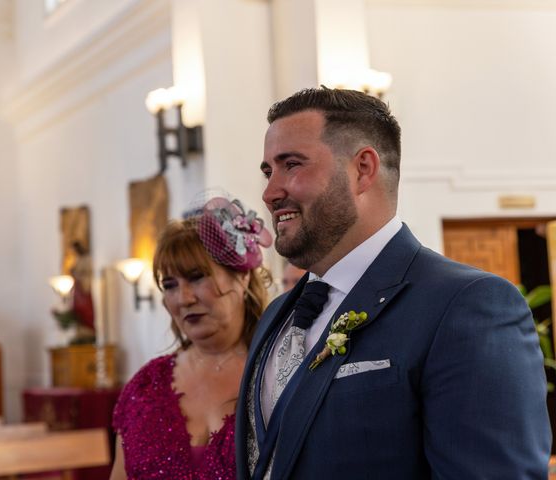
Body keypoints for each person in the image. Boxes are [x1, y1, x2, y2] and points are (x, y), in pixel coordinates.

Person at [234, 87, 551, 479]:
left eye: (292, 165)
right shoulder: (276, 316)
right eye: (268, 171)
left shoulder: (466, 305)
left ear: (363, 169)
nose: (269, 193)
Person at [110, 195, 272, 479]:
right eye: (170, 285)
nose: (183, 298)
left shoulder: (277, 373)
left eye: (197, 277)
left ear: (242, 276)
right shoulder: (145, 388)